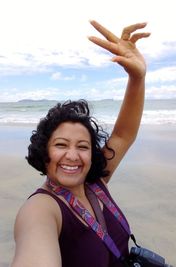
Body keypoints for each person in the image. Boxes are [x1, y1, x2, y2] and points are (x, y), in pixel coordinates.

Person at [11, 20, 150, 267]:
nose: (73, 156)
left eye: (83, 146)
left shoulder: (96, 183)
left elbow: (123, 134)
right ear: (44, 152)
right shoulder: (42, 208)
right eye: (61, 145)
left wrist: (137, 78)